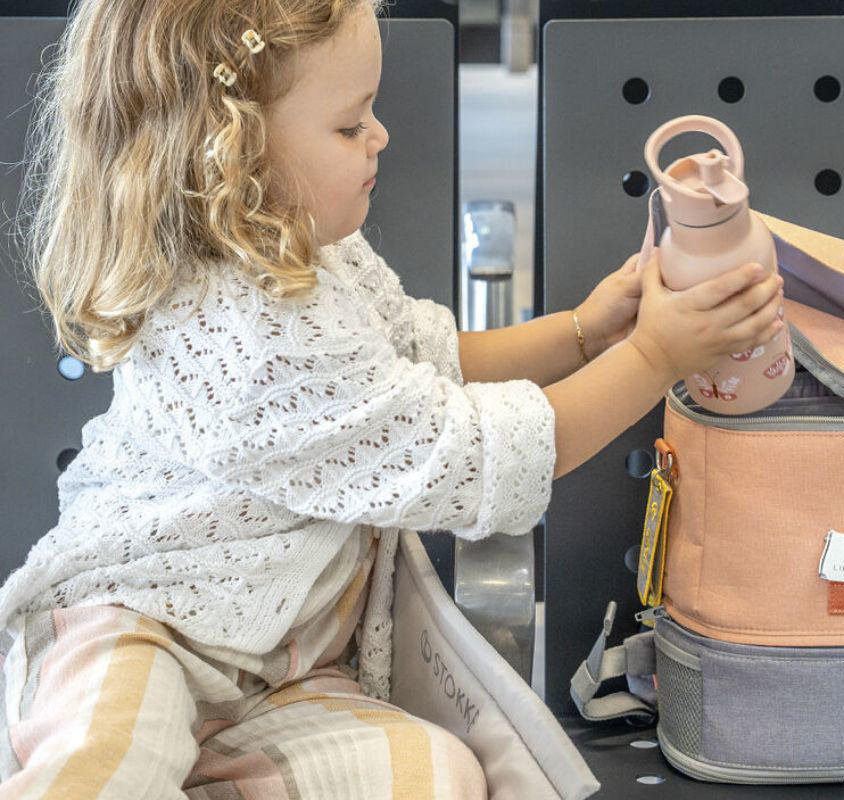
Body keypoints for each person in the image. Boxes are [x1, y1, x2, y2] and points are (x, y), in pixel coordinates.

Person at [0, 0, 784, 797]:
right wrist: (654, 357)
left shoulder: (308, 254)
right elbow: (469, 454)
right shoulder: (245, 336)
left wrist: (586, 331)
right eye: (349, 125)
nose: (379, 136)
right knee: (113, 760)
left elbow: (425, 362)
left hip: (280, 672)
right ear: (229, 156)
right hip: (139, 632)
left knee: (433, 776)